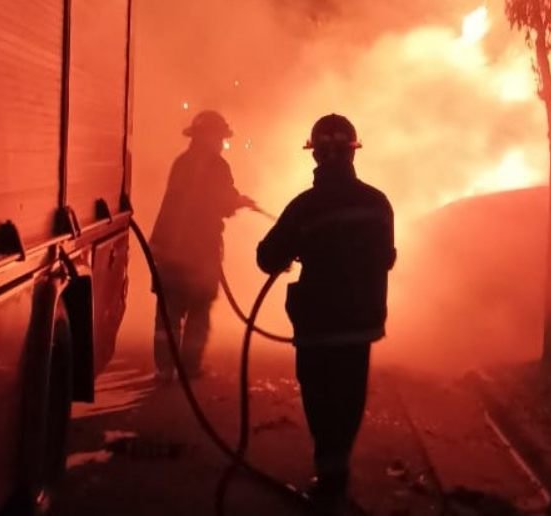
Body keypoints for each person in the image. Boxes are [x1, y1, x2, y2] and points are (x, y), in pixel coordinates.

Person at [256, 114, 396, 510]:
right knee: (348, 399)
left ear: (315, 155)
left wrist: (296, 252)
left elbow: (267, 257)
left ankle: (330, 476)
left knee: (320, 399)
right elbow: (386, 258)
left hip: (317, 326)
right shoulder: (378, 203)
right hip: (360, 325)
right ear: (353, 153)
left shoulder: (305, 206)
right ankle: (338, 473)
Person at [150, 110, 259, 381]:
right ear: (209, 136)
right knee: (198, 310)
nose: (222, 142)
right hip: (198, 252)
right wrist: (239, 201)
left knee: (169, 314)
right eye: (220, 137)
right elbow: (220, 201)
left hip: (169, 248)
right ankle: (189, 368)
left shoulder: (182, 162)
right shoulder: (217, 166)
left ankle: (165, 369)